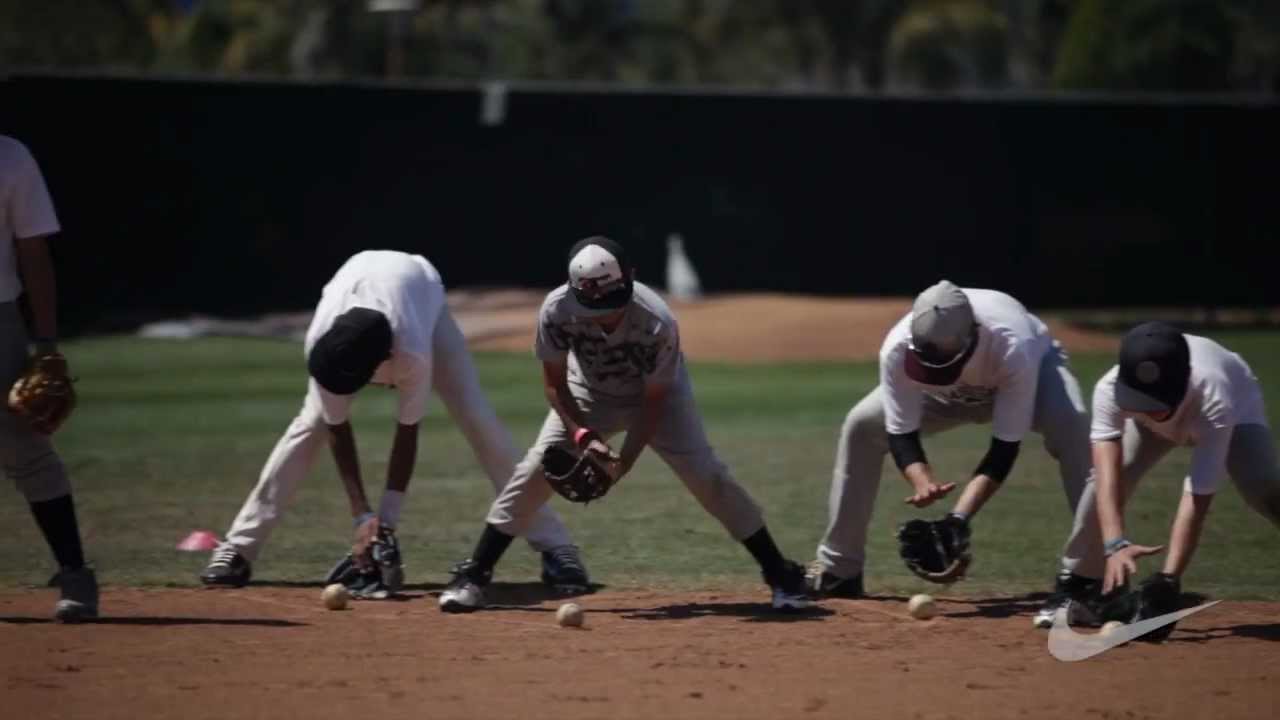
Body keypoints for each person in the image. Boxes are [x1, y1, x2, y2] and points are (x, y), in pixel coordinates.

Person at [436, 236, 813, 612]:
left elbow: (653, 403)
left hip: (656, 397)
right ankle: (475, 574)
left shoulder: (656, 320)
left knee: (706, 476)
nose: (606, 314)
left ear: (630, 277)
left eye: (613, 303)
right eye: (594, 306)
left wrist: (622, 464)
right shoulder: (555, 310)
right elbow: (554, 383)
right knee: (535, 471)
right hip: (586, 393)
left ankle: (781, 574)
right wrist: (582, 434)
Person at [200, 249, 589, 596]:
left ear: (383, 362)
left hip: (421, 293)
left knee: (475, 415)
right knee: (311, 422)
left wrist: (386, 522)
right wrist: (362, 517)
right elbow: (338, 428)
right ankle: (237, 548)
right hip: (357, 280)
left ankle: (557, 547)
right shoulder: (324, 342)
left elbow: (407, 435)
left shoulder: (411, 352)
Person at [808, 279, 1098, 613]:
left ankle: (1090, 576)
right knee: (861, 425)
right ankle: (838, 569)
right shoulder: (898, 349)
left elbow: (1004, 449)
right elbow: (901, 433)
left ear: (972, 336)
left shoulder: (1011, 345)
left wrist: (958, 519)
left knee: (1072, 424)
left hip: (1028, 375)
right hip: (939, 395)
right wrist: (922, 481)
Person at [1038, 321, 1279, 633]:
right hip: (1158, 422)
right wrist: (1114, 544)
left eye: (1154, 402)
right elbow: (1109, 476)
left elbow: (1197, 496)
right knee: (1101, 482)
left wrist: (1168, 579)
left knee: (1261, 485)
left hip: (1233, 409)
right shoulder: (1109, 390)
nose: (1147, 409)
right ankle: (1079, 586)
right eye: (1138, 398)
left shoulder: (1214, 395)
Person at [0, 134, 97, 621]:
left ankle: (75, 571)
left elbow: (33, 252)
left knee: (25, 447)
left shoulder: (11, 157)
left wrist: (47, 346)